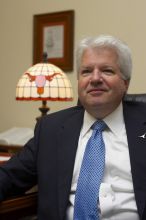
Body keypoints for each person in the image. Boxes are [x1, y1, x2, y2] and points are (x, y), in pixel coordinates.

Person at [0, 35, 146, 220]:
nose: (95, 78)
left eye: (107, 70)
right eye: (86, 71)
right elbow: (9, 176)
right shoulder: (50, 128)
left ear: (125, 82)